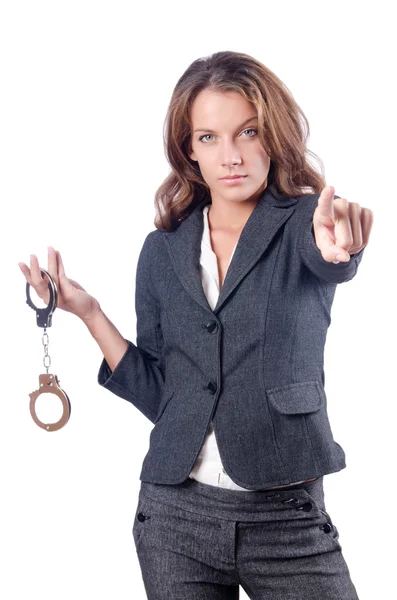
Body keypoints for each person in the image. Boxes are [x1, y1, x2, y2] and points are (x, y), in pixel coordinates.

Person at [19, 50, 373, 599]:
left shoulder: (305, 223)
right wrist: (88, 312)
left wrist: (339, 249)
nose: (230, 155)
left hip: (285, 516)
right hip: (174, 516)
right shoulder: (161, 251)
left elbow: (330, 252)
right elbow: (167, 394)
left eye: (247, 132)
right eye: (208, 137)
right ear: (189, 149)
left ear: (272, 134)